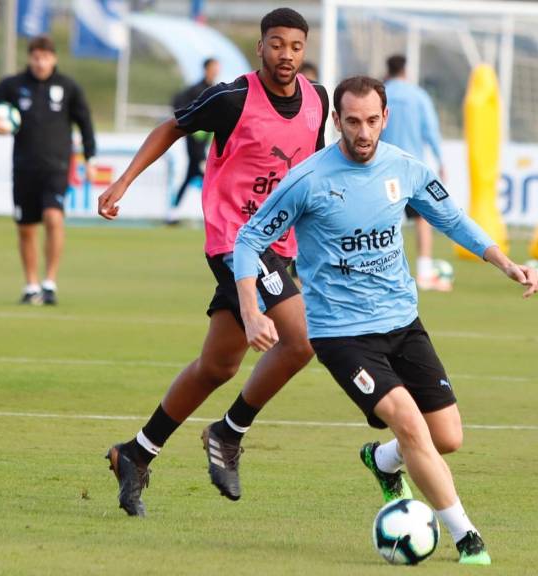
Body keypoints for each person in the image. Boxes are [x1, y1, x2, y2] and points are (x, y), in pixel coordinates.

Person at [232, 76, 538, 565]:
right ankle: (467, 537)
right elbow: (248, 240)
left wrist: (505, 263)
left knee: (447, 438)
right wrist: (251, 311)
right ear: (336, 121)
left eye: (372, 121)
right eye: (353, 121)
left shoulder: (405, 168)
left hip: (402, 322)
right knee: (410, 424)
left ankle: (382, 460)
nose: (363, 132)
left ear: (386, 118)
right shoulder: (308, 179)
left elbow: (451, 218)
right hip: (342, 335)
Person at [97, 7, 329, 516]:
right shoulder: (231, 99)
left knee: (217, 366)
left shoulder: (318, 99)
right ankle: (229, 432)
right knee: (300, 340)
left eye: (295, 46)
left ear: (304, 50)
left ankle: (136, 453)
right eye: (276, 44)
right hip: (235, 241)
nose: (285, 54)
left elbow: (310, 171)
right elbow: (172, 127)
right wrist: (124, 182)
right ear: (260, 46)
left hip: (280, 246)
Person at [0, 35, 96, 306]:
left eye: (45, 57)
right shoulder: (15, 85)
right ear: (30, 58)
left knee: (54, 217)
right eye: (36, 57)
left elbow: (85, 123)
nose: (40, 62)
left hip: (57, 167)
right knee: (26, 228)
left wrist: (90, 158)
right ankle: (31, 285)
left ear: (54, 59)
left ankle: (49, 283)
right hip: (24, 168)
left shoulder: (68, 87)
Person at [380, 54, 450, 291]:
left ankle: (382, 271)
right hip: (412, 169)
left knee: (385, 221)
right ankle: (424, 273)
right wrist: (441, 161)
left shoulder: (381, 94)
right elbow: (431, 131)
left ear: (388, 70)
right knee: (422, 220)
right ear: (405, 71)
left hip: (383, 167)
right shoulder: (418, 96)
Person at [169, 57, 219, 215]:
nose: (216, 70)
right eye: (214, 67)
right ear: (206, 69)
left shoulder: (216, 89)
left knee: (192, 175)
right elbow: (177, 101)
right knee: (208, 176)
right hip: (194, 140)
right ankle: (215, 212)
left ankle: (173, 212)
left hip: (205, 141)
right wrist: (188, 123)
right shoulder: (196, 89)